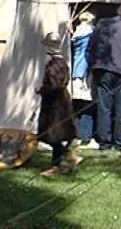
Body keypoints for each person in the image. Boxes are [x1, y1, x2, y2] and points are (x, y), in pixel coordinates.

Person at [88, 4, 121, 152]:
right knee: (120, 109)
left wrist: (93, 64)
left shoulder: (102, 24)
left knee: (104, 107)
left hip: (103, 68)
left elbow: (91, 47)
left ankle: (104, 143)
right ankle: (119, 143)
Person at [36, 32, 79, 176]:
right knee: (55, 135)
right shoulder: (63, 63)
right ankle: (64, 160)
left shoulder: (53, 65)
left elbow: (55, 86)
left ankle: (62, 161)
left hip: (55, 104)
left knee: (51, 134)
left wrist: (41, 89)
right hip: (61, 101)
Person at [69, 11, 97, 149]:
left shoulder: (76, 33)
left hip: (76, 69)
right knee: (87, 104)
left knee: (77, 104)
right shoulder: (90, 34)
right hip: (86, 70)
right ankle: (87, 136)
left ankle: (78, 134)